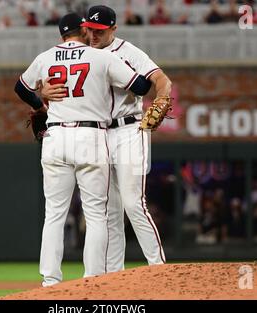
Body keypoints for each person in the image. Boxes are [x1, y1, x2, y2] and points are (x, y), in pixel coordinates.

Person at [14, 12, 153, 286]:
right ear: (84, 31)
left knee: (54, 213)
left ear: (61, 34)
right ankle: (92, 278)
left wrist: (39, 103)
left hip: (55, 137)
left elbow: (20, 87)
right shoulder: (101, 57)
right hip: (90, 135)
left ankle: (50, 280)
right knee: (96, 214)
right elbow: (141, 85)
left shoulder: (45, 57)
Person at [42, 5, 171, 272]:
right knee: (110, 210)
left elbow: (161, 80)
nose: (94, 34)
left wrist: (161, 99)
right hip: (97, 134)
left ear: (113, 29)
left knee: (134, 203)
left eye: (100, 30)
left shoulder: (127, 51)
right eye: (90, 29)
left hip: (129, 130)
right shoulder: (81, 55)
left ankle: (158, 269)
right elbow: (48, 84)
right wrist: (43, 90)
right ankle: (113, 277)